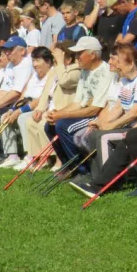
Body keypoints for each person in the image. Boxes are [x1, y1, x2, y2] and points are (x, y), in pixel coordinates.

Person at [69, 44, 137, 197]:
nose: (114, 65)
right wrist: (102, 123)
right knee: (95, 133)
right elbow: (119, 108)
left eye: (118, 62)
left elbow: (135, 112)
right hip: (128, 125)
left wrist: (110, 126)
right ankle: (97, 178)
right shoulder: (125, 81)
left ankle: (109, 183)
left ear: (130, 63)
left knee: (104, 137)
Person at [46, 37, 114, 176]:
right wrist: (57, 113)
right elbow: (77, 103)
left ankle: (82, 170)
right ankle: (69, 165)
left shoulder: (105, 72)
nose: (77, 57)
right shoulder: (85, 71)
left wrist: (62, 115)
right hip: (87, 112)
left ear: (93, 55)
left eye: (80, 54)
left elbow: (95, 109)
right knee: (49, 125)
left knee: (63, 126)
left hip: (97, 116)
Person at [15, 41, 81, 171]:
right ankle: (40, 157)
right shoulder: (56, 70)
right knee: (31, 122)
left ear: (66, 57)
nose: (54, 58)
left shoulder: (76, 70)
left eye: (57, 55)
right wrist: (39, 109)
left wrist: (60, 63)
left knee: (44, 124)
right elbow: (45, 92)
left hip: (64, 109)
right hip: (51, 108)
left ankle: (58, 158)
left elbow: (64, 81)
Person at [0, 37, 32, 164]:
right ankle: (3, 153)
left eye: (11, 49)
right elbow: (4, 90)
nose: (7, 53)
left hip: (26, 102)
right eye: (6, 50)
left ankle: (7, 154)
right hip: (14, 103)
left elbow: (16, 93)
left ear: (22, 51)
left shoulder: (26, 64)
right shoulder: (10, 65)